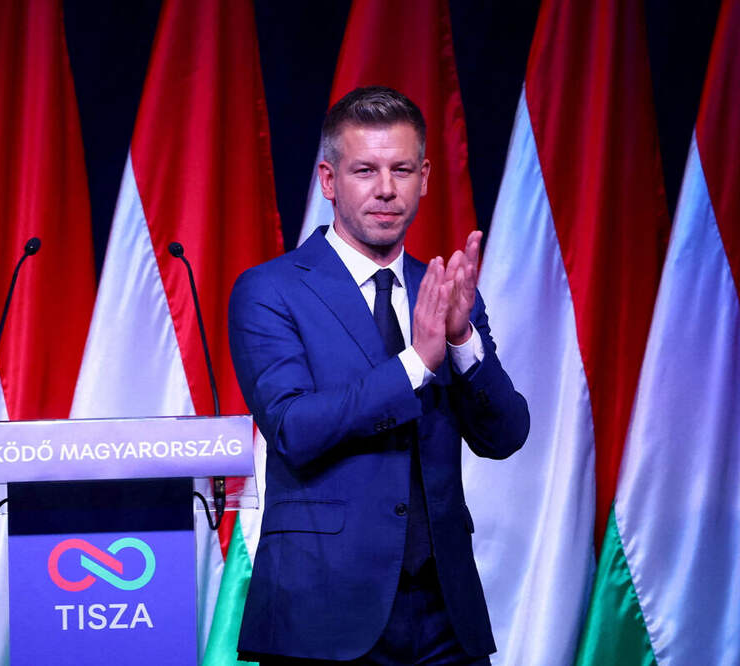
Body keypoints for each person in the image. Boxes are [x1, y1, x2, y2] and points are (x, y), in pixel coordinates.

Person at [227, 86, 530, 664]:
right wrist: (417, 363)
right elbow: (294, 427)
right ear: (328, 180)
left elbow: (505, 435)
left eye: (402, 170)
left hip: (446, 616)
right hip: (323, 611)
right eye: (365, 170)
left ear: (425, 178)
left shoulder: (443, 291)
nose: (386, 189)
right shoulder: (270, 290)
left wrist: (462, 342)